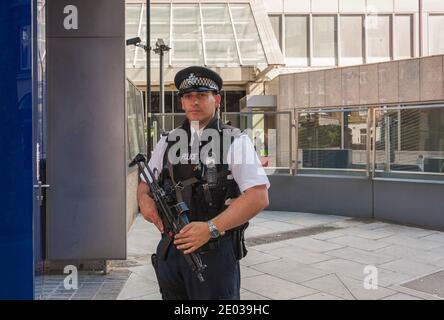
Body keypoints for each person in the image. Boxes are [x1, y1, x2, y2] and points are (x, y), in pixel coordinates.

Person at [137, 66, 270, 300]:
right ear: (182, 103)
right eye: (188, 97)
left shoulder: (236, 141)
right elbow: (145, 184)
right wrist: (145, 202)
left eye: (201, 96)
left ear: (216, 99)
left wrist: (210, 228)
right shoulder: (167, 141)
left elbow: (258, 197)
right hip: (171, 250)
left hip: (213, 253)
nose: (194, 102)